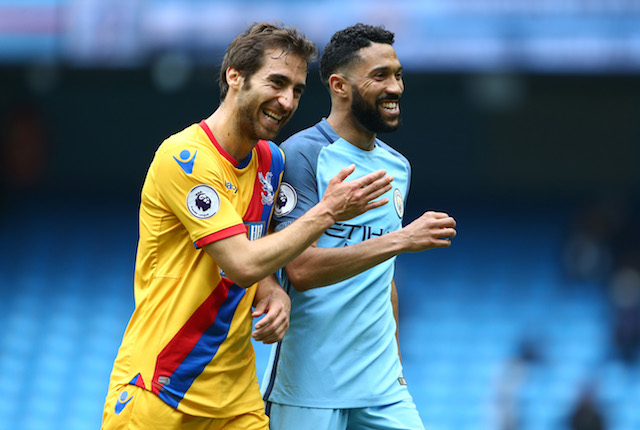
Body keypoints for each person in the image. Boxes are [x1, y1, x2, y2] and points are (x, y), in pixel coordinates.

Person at [101, 22, 394, 430]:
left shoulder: (271, 161)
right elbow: (240, 262)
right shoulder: (185, 157)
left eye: (296, 89)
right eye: (276, 82)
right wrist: (326, 211)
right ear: (234, 76)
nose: (287, 100)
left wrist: (272, 290)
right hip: (159, 389)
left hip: (236, 402)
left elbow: (262, 251)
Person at [261, 24, 457, 430]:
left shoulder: (398, 166)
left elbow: (383, 277)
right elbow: (300, 269)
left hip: (383, 387)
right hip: (310, 387)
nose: (396, 87)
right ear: (340, 86)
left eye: (398, 74)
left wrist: (397, 363)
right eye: (380, 76)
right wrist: (401, 240)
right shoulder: (302, 155)